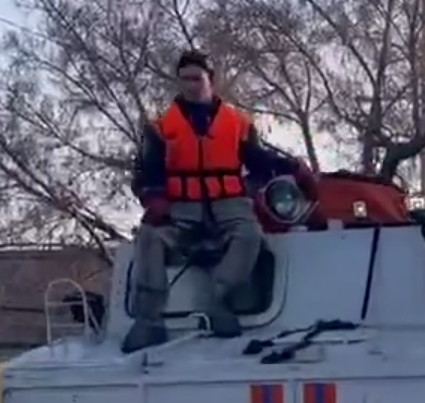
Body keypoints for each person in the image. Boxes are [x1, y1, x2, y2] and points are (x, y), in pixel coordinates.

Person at [124, 49, 310, 352]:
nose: (190, 85)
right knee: (149, 237)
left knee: (250, 235)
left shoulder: (238, 123)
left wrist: (293, 169)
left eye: (197, 78)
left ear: (211, 79)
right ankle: (148, 320)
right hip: (181, 211)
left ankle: (220, 301)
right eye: (184, 79)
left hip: (229, 207)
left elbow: (258, 161)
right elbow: (147, 172)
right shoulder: (160, 128)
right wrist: (154, 199)